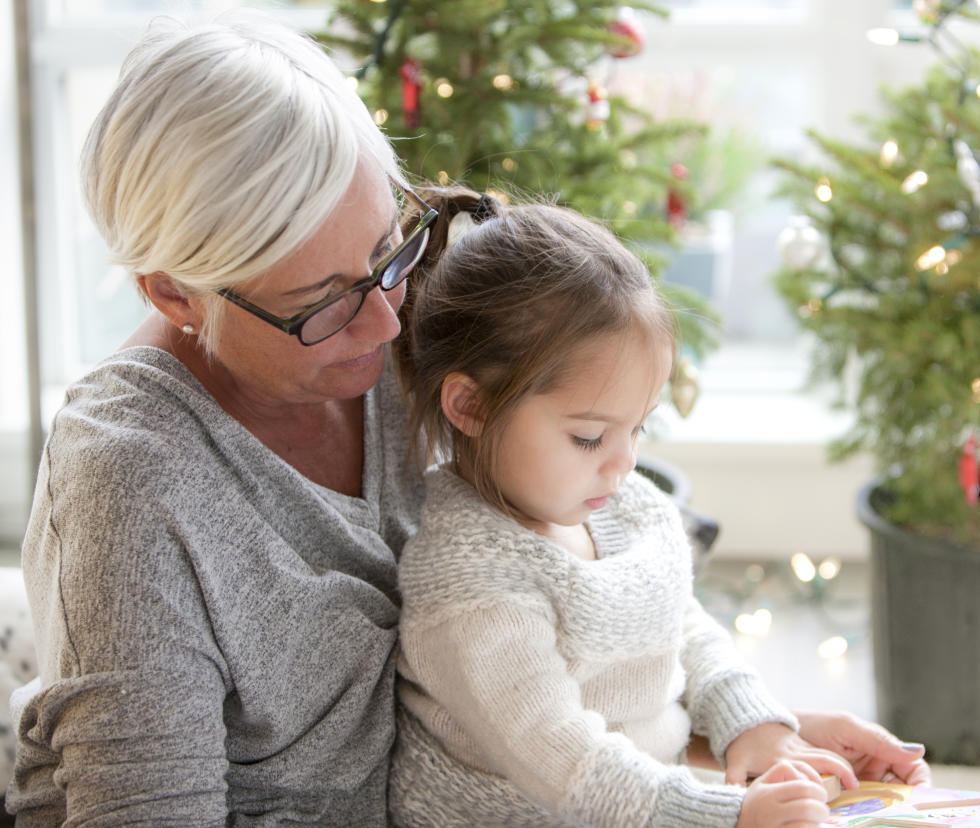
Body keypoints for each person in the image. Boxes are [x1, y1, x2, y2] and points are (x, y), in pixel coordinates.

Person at [6, 12, 928, 827]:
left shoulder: (401, 322)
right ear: (172, 292)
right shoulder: (127, 492)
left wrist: (746, 728)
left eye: (385, 253)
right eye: (323, 300)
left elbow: (548, 621)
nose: (385, 322)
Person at [386, 196, 930, 828]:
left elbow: (678, 627)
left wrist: (752, 724)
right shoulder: (468, 586)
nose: (621, 464)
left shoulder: (622, 507)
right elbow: (569, 760)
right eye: (589, 437)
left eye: (637, 429)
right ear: (471, 407)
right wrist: (727, 816)